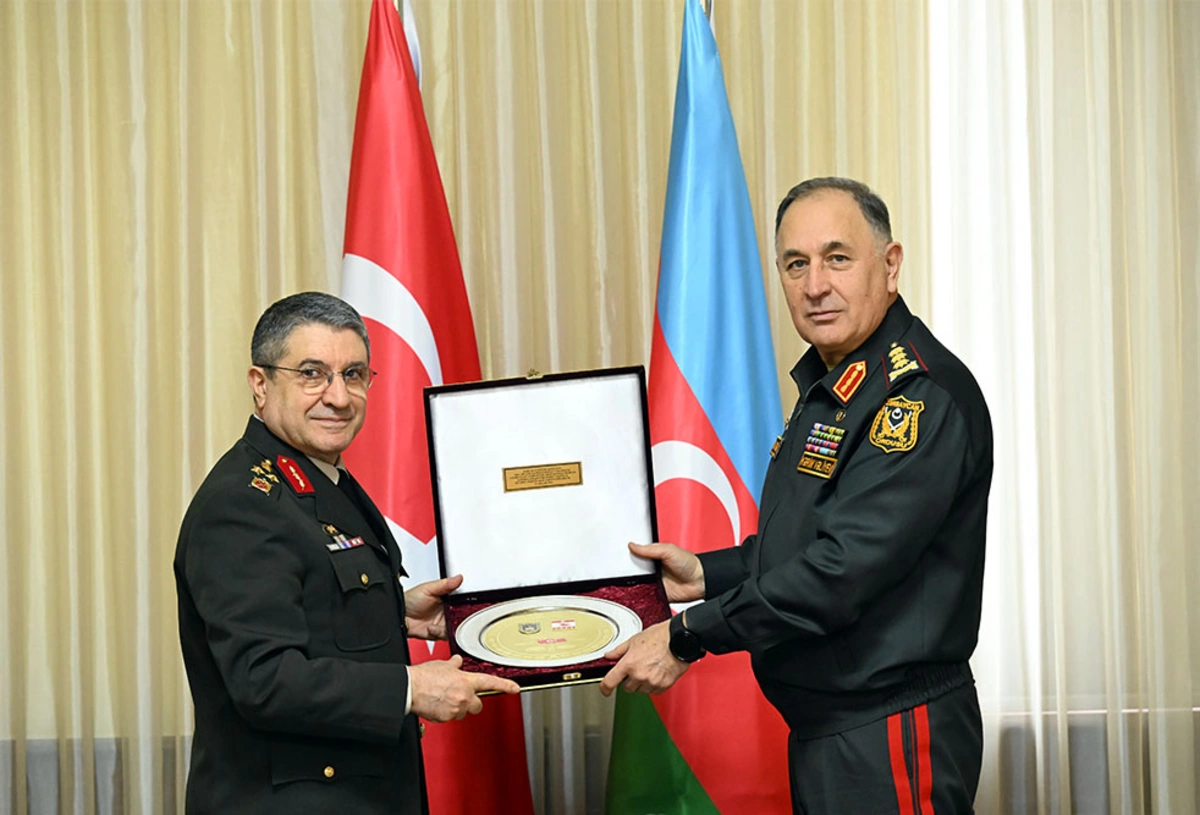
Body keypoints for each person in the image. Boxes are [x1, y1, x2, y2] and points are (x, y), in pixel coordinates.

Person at [601, 178, 993, 814]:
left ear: (890, 265)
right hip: (830, 731)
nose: (815, 285)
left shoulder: (914, 397)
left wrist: (688, 635)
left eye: (837, 258)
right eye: (795, 264)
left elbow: (840, 571)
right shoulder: (836, 386)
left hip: (889, 730)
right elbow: (809, 541)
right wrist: (704, 574)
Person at [175, 292, 519, 814]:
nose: (338, 397)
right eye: (312, 374)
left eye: (353, 374)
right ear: (260, 384)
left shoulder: (315, 479)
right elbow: (264, 679)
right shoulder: (244, 503)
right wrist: (410, 689)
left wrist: (395, 611)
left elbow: (308, 599)